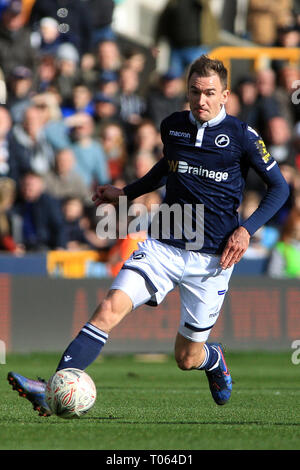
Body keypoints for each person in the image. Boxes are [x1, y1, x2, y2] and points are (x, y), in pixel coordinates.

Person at [8, 55, 290, 416]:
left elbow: (279, 189)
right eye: (194, 92)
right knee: (109, 307)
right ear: (187, 93)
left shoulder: (242, 136)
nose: (201, 100)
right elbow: (165, 169)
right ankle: (52, 386)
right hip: (163, 245)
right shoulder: (172, 126)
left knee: (186, 358)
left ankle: (213, 357)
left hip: (213, 260)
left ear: (225, 96)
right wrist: (126, 192)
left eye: (209, 93)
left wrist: (246, 230)